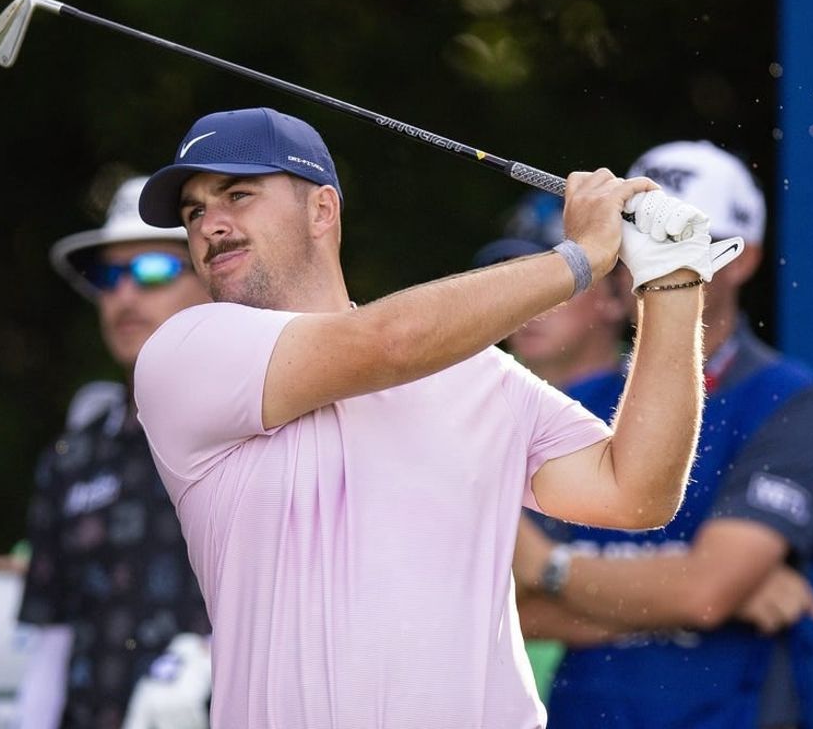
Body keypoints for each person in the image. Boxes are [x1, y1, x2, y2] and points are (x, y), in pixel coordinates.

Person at [130, 106, 743, 728]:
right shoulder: (185, 351)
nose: (212, 225)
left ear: (321, 210)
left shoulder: (473, 372)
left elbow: (634, 492)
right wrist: (580, 257)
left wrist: (673, 284)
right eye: (194, 212)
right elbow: (383, 343)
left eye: (238, 194)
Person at [513, 141, 813, 728]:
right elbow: (509, 608)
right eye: (631, 239)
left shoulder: (788, 398)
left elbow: (704, 590)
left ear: (744, 258)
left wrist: (554, 570)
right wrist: (699, 600)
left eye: (674, 239)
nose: (639, 259)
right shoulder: (587, 398)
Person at [14, 177, 213, 729]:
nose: (125, 295)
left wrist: (212, 654)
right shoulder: (71, 455)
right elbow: (51, 640)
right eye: (109, 275)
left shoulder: (260, 427)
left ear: (208, 278)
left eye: (152, 270)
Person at [473, 191, 633, 703]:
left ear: (613, 296)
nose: (531, 300)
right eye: (516, 276)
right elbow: (439, 600)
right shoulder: (462, 400)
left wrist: (541, 571)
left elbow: (708, 583)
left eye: (563, 275)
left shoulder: (670, 404)